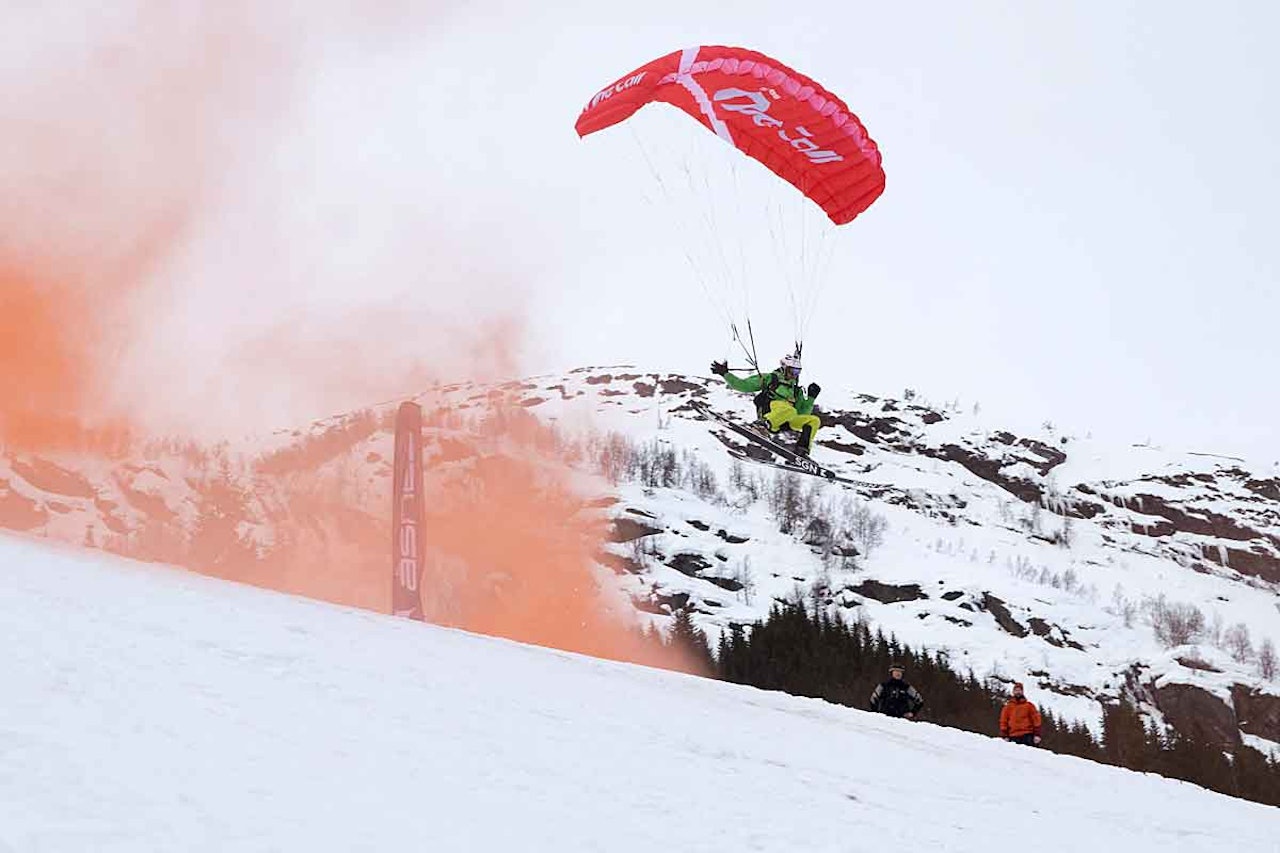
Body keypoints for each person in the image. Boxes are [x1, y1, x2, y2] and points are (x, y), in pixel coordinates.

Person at [710, 352, 822, 456]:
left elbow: (802, 413)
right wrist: (725, 374)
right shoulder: (770, 378)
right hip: (769, 411)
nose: (794, 375)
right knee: (789, 410)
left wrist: (811, 398)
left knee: (813, 420)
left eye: (797, 372)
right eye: (792, 371)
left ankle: (802, 450)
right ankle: (761, 425)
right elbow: (743, 385)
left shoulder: (796, 391)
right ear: (784, 369)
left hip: (785, 421)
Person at [1000, 682, 1043, 746]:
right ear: (1013, 692)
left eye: (1019, 690)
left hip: (1027, 735)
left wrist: (1037, 734)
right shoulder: (1007, 707)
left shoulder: (1029, 706)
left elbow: (1036, 720)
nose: (1018, 692)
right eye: (1016, 690)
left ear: (1022, 692)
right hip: (1013, 736)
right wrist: (1004, 735)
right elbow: (1003, 721)